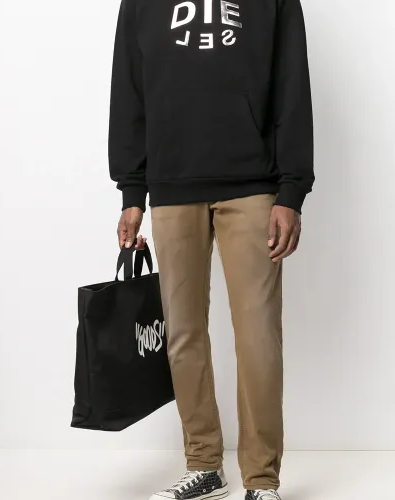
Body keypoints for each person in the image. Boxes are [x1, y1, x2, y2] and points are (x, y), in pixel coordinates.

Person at [109, 0, 314, 498]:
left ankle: (261, 480)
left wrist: (292, 191)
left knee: (258, 336)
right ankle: (204, 465)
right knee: (182, 334)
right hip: (171, 184)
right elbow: (129, 89)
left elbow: (292, 87)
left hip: (253, 185)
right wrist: (132, 192)